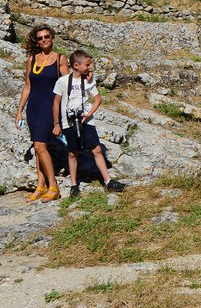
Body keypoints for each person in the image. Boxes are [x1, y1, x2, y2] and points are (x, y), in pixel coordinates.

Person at [53, 50, 125, 198]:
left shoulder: (88, 80)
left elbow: (98, 99)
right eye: (87, 65)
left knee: (97, 150)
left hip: (86, 119)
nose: (89, 67)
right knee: (73, 152)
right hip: (69, 122)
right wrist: (56, 124)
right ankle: (74, 185)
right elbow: (56, 103)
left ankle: (108, 181)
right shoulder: (63, 81)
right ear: (76, 65)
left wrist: (89, 114)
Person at [15, 24, 68, 202]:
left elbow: (66, 87)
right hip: (34, 107)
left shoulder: (60, 58)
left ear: (52, 38)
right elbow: (28, 86)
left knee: (39, 146)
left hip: (50, 106)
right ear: (36, 41)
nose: (44, 40)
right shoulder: (32, 60)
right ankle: (41, 185)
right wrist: (20, 110)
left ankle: (53, 186)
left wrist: (62, 115)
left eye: (47, 36)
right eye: (40, 38)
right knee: (38, 148)